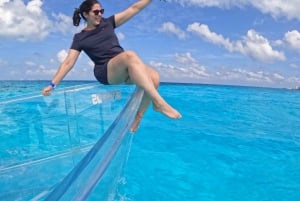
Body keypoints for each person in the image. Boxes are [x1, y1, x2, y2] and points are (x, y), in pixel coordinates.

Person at [42, 0, 181, 132]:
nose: (100, 14)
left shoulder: (107, 23)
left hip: (124, 66)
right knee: (130, 55)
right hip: (105, 71)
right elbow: (68, 62)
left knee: (154, 77)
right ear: (85, 14)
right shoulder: (79, 38)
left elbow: (134, 8)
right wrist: (52, 85)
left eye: (101, 11)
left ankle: (138, 117)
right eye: (96, 12)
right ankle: (159, 103)